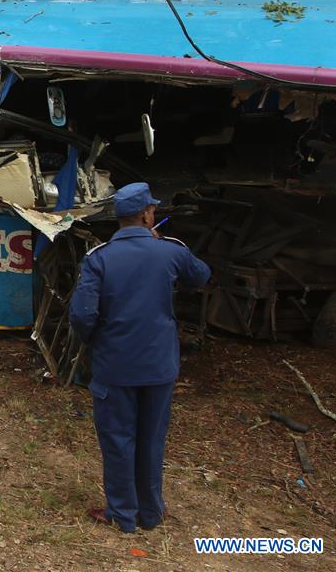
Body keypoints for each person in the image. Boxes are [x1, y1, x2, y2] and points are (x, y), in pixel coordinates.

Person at [68, 182, 210, 533]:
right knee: (151, 438)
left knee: (118, 439)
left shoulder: (98, 258)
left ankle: (122, 514)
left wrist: (97, 343)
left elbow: (82, 316)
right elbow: (201, 276)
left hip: (115, 366)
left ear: (118, 219)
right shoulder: (171, 252)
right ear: (148, 215)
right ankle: (150, 512)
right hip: (159, 366)